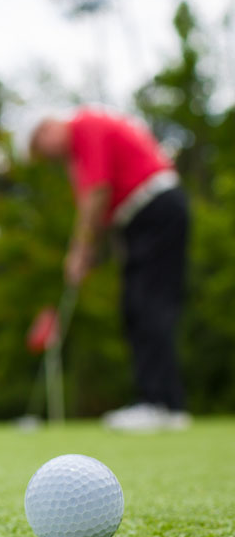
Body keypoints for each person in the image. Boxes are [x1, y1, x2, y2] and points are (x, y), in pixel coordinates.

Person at [29, 108, 191, 432]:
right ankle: (166, 404)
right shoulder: (81, 141)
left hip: (155, 210)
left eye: (40, 147)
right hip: (147, 217)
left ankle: (158, 403)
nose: (47, 156)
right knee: (139, 307)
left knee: (148, 306)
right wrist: (92, 252)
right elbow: (105, 204)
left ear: (47, 128)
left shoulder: (84, 128)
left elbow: (97, 194)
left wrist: (79, 250)